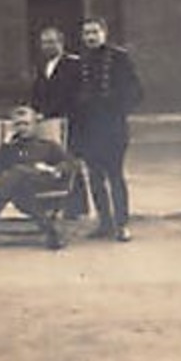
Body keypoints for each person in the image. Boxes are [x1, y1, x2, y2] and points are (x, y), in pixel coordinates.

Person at [0, 104, 77, 249]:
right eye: (18, 124)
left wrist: (54, 169)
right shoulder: (11, 148)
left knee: (18, 171)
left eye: (26, 124)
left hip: (46, 181)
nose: (22, 128)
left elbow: (70, 163)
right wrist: (5, 144)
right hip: (22, 189)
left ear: (35, 125)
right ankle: (51, 233)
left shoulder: (48, 145)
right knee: (21, 190)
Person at [73, 16, 142, 242]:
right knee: (95, 177)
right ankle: (104, 223)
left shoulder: (119, 58)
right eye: (87, 33)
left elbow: (135, 90)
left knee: (115, 176)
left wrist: (116, 106)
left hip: (112, 126)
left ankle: (122, 224)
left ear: (104, 33)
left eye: (95, 32)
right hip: (88, 128)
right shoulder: (80, 61)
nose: (91, 37)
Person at [29, 26, 86, 218]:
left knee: (70, 161)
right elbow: (37, 92)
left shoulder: (73, 64)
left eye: (52, 42)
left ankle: (77, 207)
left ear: (61, 43)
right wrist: (35, 111)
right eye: (44, 42)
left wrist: (49, 112)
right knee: (52, 160)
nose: (47, 46)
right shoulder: (42, 66)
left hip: (68, 120)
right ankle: (55, 205)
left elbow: (70, 94)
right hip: (47, 122)